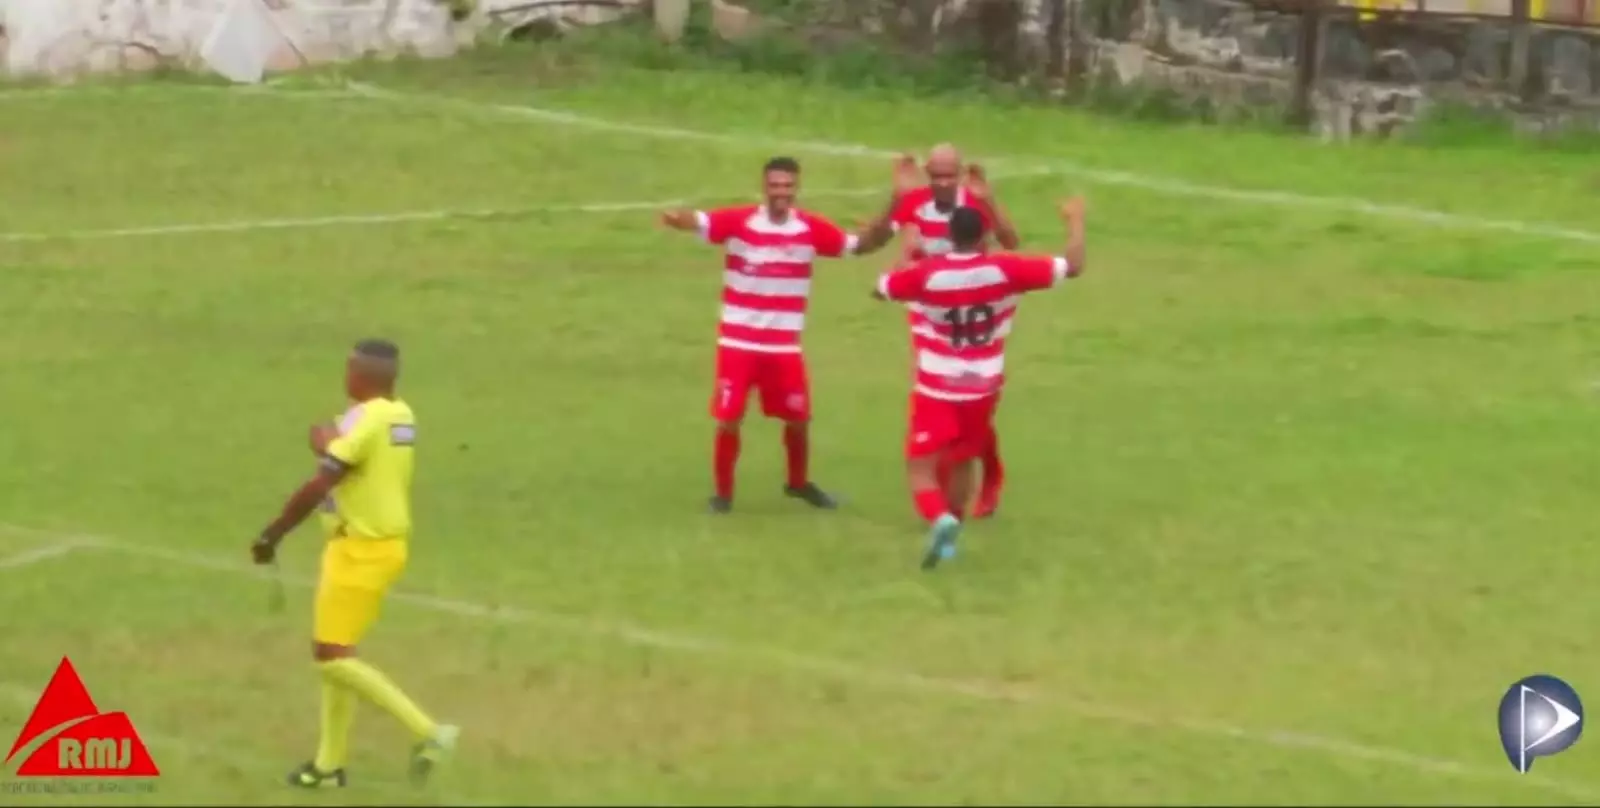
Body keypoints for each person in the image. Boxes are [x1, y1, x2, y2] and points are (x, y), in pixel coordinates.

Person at [249, 338, 458, 789]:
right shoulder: (401, 414)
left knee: (329, 659)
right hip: (376, 546)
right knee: (339, 651)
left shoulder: (368, 422)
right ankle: (328, 766)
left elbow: (321, 480)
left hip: (362, 550)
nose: (344, 376)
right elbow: (344, 449)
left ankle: (429, 732)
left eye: (348, 369)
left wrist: (274, 533)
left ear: (361, 376)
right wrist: (329, 443)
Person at [660, 156, 896, 514]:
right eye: (775, 186)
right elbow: (703, 221)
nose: (781, 193)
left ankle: (798, 483)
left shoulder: (809, 229)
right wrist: (680, 219)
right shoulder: (741, 222)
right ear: (764, 188)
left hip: (783, 345)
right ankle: (722, 495)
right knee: (729, 418)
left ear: (797, 188)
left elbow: (858, 246)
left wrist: (891, 220)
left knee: (799, 419)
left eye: (787, 186)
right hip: (738, 343)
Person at [872, 199, 1087, 569]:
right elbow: (1073, 265)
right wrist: (1075, 221)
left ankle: (939, 519)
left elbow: (882, 288)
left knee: (920, 467)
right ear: (985, 236)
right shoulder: (1006, 269)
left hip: (938, 385)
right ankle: (953, 531)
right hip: (984, 386)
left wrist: (906, 254)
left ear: (950, 236)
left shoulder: (928, 274)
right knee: (963, 459)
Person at [886, 145, 1021, 520]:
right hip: (929, 313)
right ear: (928, 175)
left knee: (971, 394)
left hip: (972, 308)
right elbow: (899, 249)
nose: (943, 183)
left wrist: (991, 201)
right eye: (936, 176)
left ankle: (989, 477)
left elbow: (1011, 243)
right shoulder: (916, 203)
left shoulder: (973, 205)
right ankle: (952, 491)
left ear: (960, 174)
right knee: (946, 396)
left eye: (949, 175)